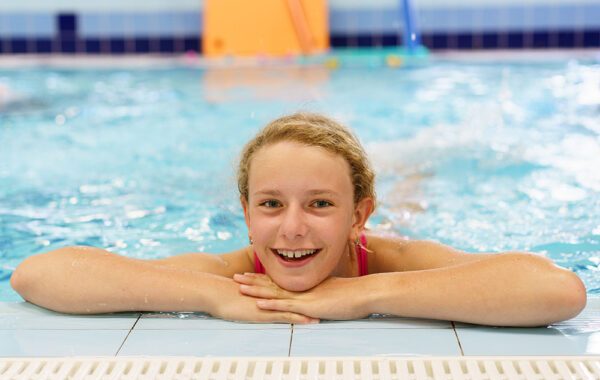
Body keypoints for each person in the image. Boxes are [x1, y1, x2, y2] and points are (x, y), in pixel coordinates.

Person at [10, 112, 587, 326]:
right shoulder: (228, 272)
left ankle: (416, 160)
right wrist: (219, 299)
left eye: (320, 204)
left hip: (388, 238)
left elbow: (558, 290)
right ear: (245, 213)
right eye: (270, 204)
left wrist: (361, 295)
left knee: (414, 191)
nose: (291, 229)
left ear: (358, 215)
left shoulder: (394, 259)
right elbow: (37, 274)